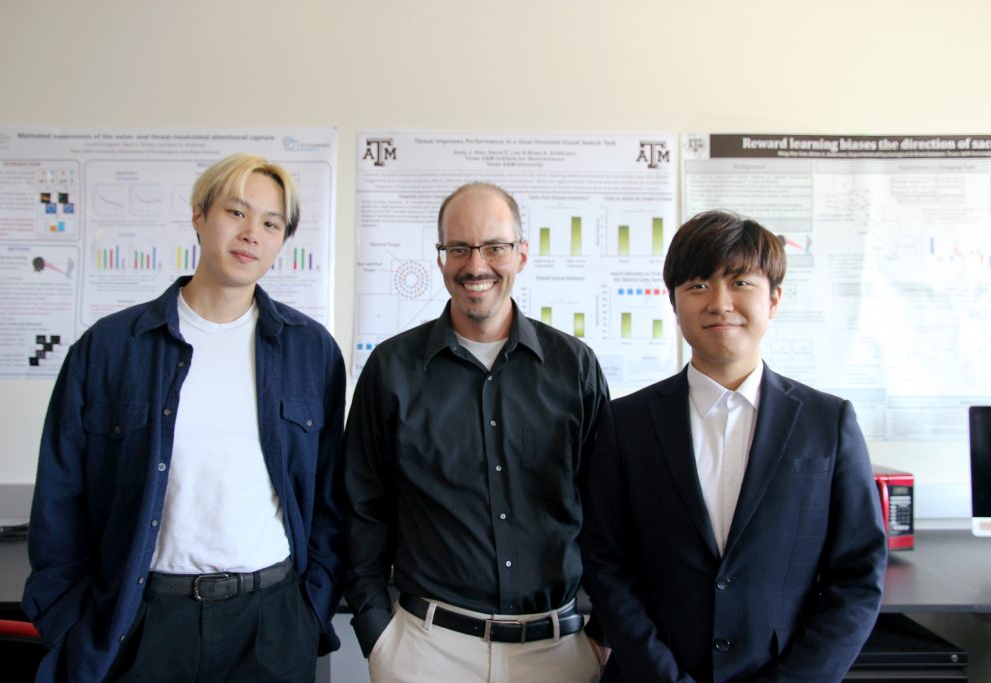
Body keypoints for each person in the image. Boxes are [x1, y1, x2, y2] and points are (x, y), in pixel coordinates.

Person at [23, 154, 346, 683]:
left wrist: (310, 610)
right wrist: (67, 622)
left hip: (270, 621)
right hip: (143, 622)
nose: (251, 234)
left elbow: (332, 499)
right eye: (236, 213)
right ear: (199, 215)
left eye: (270, 223)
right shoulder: (109, 348)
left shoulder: (310, 353)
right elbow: (59, 499)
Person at [581, 210, 887, 682]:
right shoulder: (626, 423)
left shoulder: (828, 423)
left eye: (741, 282)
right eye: (699, 285)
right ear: (675, 301)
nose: (720, 303)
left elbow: (859, 576)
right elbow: (606, 566)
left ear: (775, 299)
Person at [343, 182, 610, 682]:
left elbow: (609, 510)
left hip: (557, 652)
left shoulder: (574, 367)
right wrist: (376, 631)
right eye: (459, 248)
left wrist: (603, 633)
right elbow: (362, 508)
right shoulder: (391, 369)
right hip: (426, 651)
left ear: (521, 255)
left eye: (494, 247)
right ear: (441, 258)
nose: (476, 265)